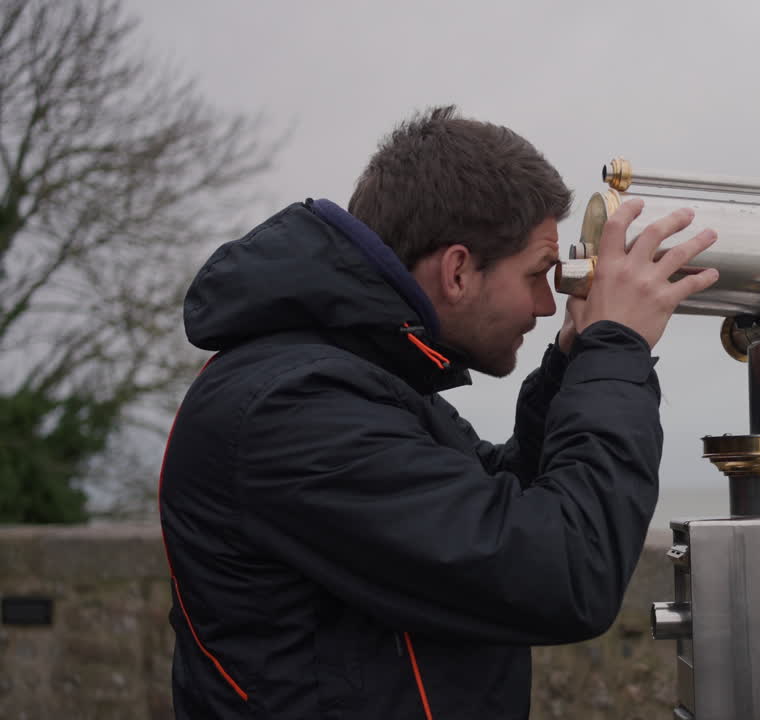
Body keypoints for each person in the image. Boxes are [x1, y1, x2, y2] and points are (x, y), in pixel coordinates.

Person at [158, 105, 718, 719]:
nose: (544, 302)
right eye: (536, 274)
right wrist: (617, 349)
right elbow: (563, 573)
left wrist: (571, 363)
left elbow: (499, 500)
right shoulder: (292, 409)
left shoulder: (352, 377)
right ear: (457, 271)